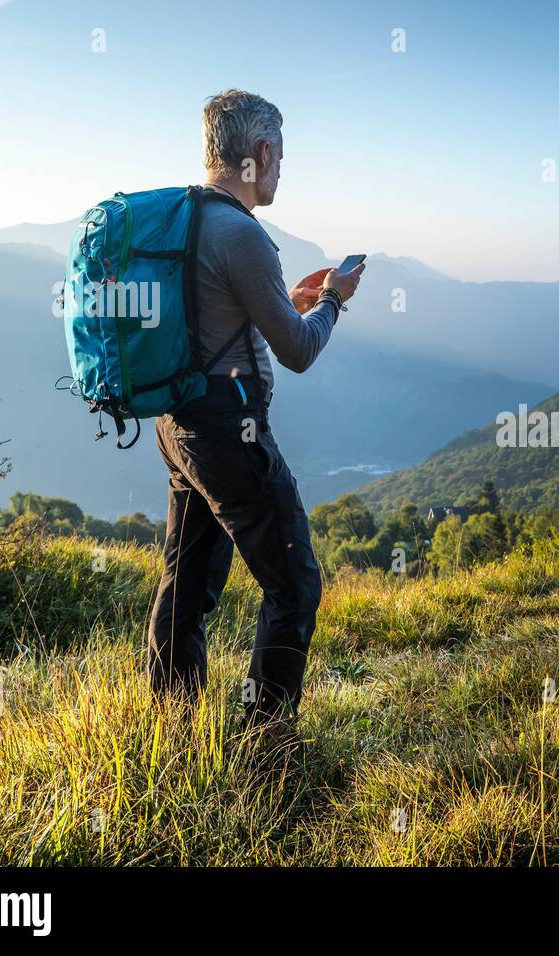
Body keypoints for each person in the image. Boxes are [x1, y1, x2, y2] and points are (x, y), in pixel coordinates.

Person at [146, 89, 363, 732]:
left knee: (186, 582)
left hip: (175, 422)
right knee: (294, 586)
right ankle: (260, 741)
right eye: (280, 155)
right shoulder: (243, 234)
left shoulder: (182, 219)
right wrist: (333, 300)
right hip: (228, 432)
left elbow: (217, 316)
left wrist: (285, 300)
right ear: (261, 153)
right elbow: (296, 351)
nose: (280, 169)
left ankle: (172, 725)